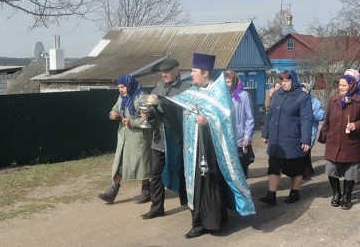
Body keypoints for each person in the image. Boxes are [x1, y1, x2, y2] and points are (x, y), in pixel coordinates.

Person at [151, 53, 255, 239]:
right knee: (196, 185)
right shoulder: (193, 93)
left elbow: (227, 119)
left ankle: (215, 221)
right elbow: (176, 114)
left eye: (194, 71)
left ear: (205, 72)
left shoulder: (219, 93)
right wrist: (160, 104)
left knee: (211, 184)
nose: (191, 74)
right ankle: (198, 222)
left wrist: (209, 120)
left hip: (212, 150)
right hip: (193, 150)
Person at [140, 59, 190, 220]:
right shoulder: (158, 88)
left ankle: (190, 203)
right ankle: (157, 207)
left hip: (177, 141)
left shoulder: (186, 89)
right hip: (159, 140)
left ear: (177, 70)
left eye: (167, 71)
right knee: (155, 175)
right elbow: (154, 117)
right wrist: (148, 115)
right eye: (162, 72)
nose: (164, 74)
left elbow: (186, 115)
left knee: (183, 173)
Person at [318, 74, 360, 209]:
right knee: (331, 170)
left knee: (350, 173)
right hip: (334, 141)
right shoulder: (333, 100)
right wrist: (323, 136)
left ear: (351, 85)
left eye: (344, 85)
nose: (341, 88)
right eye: (339, 85)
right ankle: (336, 193)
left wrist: (356, 125)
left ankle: (347, 197)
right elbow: (327, 121)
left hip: (352, 143)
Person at [260, 70, 313, 205]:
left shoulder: (302, 97)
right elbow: (270, 115)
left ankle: (294, 192)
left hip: (292, 138)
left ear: (293, 81)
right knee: (273, 167)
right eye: (282, 81)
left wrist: (306, 138)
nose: (284, 84)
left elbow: (306, 119)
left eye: (287, 81)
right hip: (276, 139)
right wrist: (265, 133)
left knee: (295, 168)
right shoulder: (277, 94)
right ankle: (271, 195)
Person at [97, 75, 152, 204]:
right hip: (124, 137)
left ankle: (146, 191)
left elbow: (147, 119)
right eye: (119, 87)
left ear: (130, 85)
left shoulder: (142, 97)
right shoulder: (122, 98)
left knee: (141, 164)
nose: (120, 90)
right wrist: (113, 114)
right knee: (120, 163)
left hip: (138, 137)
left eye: (122, 87)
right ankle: (111, 192)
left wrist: (132, 122)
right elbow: (115, 109)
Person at [224, 70, 255, 177]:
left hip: (239, 138)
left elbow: (249, 118)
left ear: (234, 81)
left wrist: (247, 136)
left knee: (240, 168)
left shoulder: (244, 95)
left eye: (228, 81)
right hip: (225, 138)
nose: (226, 84)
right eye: (225, 82)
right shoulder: (223, 96)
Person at [300, 82, 325, 179]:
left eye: (304, 89)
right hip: (297, 132)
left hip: (310, 131)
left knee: (306, 152)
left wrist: (311, 115)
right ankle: (305, 170)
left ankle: (306, 171)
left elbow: (322, 115)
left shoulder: (315, 102)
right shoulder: (295, 101)